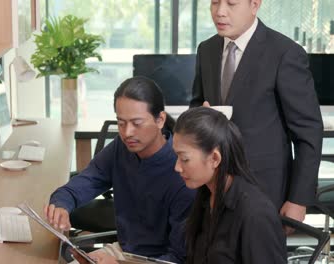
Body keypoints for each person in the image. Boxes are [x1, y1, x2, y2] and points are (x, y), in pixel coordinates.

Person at [190, 0, 323, 227]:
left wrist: (298, 201)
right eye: (214, 2)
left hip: (265, 191)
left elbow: (308, 133)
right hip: (213, 190)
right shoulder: (207, 49)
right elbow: (196, 108)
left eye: (231, 3)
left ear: (254, 4)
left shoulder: (284, 53)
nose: (220, 12)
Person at [45, 76, 195, 263]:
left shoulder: (183, 172)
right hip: (123, 251)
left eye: (137, 123)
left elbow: (178, 259)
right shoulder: (121, 148)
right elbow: (88, 180)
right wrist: (62, 202)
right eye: (121, 123)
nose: (127, 133)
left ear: (160, 120)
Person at [175, 107, 286, 263]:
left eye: (184, 159)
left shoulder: (255, 214)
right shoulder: (206, 197)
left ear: (214, 158)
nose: (177, 167)